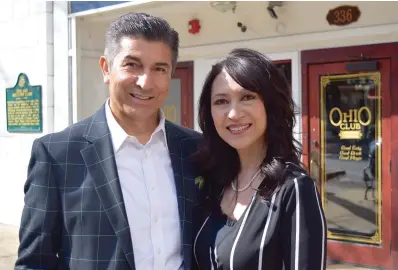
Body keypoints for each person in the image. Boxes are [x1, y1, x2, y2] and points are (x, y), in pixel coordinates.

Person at [15, 12, 202, 270]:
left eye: (159, 68)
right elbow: (35, 263)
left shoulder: (195, 149)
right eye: (132, 65)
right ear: (106, 68)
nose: (146, 82)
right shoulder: (58, 154)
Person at [192, 48, 327, 269]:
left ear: (270, 106)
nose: (233, 114)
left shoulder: (293, 189)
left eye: (247, 97)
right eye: (221, 101)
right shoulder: (211, 181)